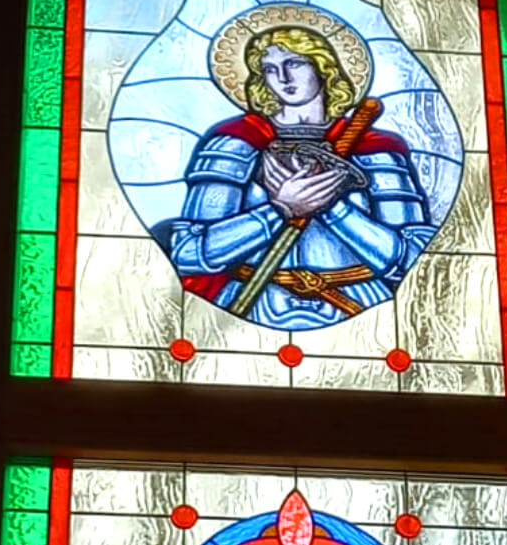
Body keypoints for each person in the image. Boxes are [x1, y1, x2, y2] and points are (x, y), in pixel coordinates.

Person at [171, 24, 433, 328]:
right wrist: (280, 210)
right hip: (248, 307)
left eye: (294, 63)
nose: (283, 78)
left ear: (324, 67)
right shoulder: (236, 144)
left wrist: (333, 208)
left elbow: (415, 258)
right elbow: (187, 253)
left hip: (361, 310)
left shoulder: (375, 151)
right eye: (270, 69)